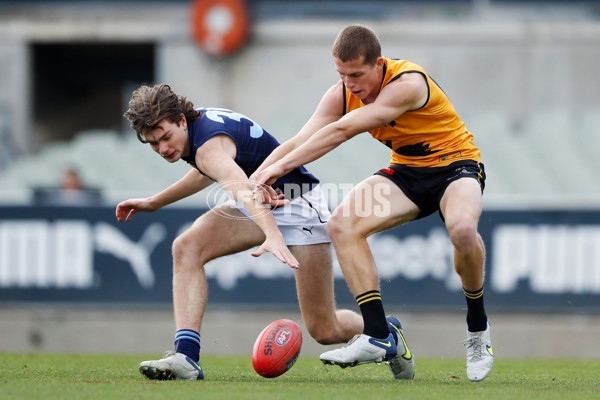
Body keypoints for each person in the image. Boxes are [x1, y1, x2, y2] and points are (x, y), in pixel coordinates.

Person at [252, 24, 492, 382]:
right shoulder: (341, 93)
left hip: (456, 167)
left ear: (379, 64)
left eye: (356, 74)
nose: (349, 83)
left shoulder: (408, 84)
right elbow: (304, 138)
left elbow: (341, 132)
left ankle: (478, 330)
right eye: (342, 74)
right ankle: (379, 335)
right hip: (407, 172)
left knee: (461, 229)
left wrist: (279, 169)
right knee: (340, 225)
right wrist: (258, 174)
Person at [115, 84, 396, 381]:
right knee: (186, 247)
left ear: (181, 120)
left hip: (298, 205)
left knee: (325, 330)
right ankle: (186, 356)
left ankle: (387, 330)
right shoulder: (198, 132)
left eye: (166, 137)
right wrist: (154, 202)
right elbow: (210, 173)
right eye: (153, 144)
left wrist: (272, 234)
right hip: (263, 202)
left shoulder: (208, 144)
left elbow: (242, 191)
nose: (162, 149)